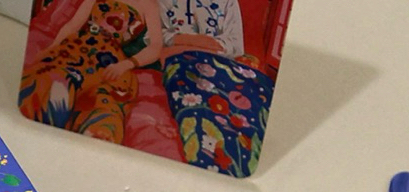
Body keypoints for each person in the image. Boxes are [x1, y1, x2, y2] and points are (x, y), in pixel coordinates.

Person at [19, 0, 165, 143]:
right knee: (50, 77)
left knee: (106, 98)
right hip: (78, 47)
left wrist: (126, 64)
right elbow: (73, 25)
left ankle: (92, 131)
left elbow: (156, 47)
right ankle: (49, 109)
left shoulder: (149, 4)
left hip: (112, 59)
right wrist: (52, 47)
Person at [158, 0, 245, 60]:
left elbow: (236, 44)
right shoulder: (163, 2)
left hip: (218, 63)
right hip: (177, 62)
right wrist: (186, 39)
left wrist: (201, 45)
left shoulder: (227, 1)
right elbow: (155, 37)